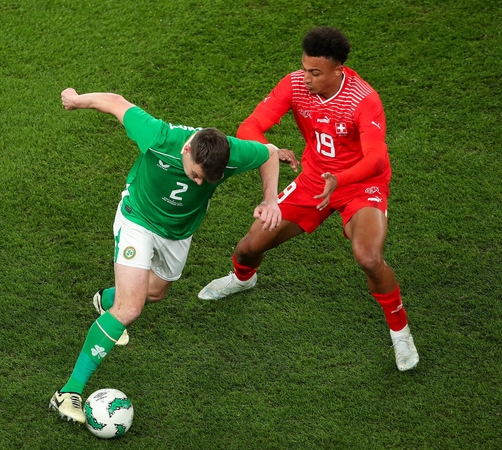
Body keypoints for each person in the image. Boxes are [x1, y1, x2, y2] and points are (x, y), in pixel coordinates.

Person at [49, 88, 281, 423]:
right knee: (131, 307)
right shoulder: (158, 136)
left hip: (178, 234)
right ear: (187, 149)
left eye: (207, 180)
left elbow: (269, 153)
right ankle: (67, 392)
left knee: (155, 292)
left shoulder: (229, 153)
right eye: (196, 174)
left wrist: (270, 198)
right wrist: (75, 99)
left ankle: (106, 301)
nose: (200, 183)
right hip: (138, 220)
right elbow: (116, 103)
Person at [198, 27, 419, 372]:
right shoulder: (295, 85)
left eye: (315, 72)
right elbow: (249, 128)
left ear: (338, 70)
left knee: (368, 257)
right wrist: (270, 149)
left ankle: (400, 331)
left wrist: (340, 179)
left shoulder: (364, 99)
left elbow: (375, 159)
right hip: (314, 180)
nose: (306, 77)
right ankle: (243, 279)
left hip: (360, 184)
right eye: (304, 68)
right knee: (248, 247)